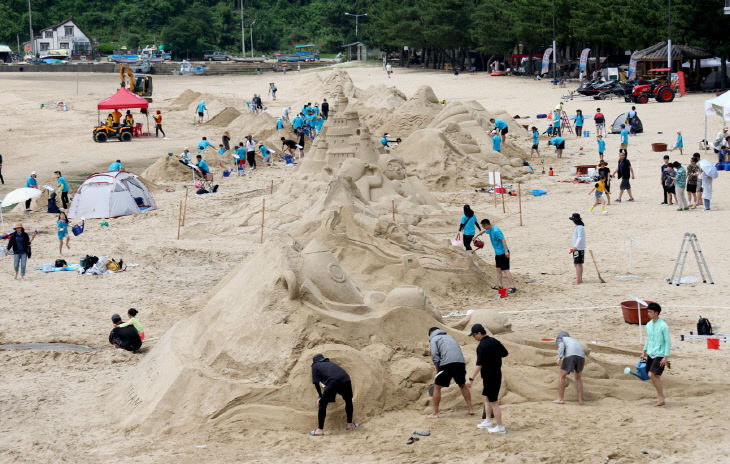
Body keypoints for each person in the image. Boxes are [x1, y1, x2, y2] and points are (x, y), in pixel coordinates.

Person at [466, 324, 508, 434]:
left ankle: (500, 427)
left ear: (479, 333)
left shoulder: (481, 346)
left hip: (490, 376)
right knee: (486, 397)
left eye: (474, 335)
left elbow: (479, 364)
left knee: (494, 402)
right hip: (496, 374)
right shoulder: (494, 341)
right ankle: (488, 420)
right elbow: (505, 353)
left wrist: (471, 379)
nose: (474, 338)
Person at [426, 327, 473, 418]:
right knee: (462, 385)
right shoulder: (450, 337)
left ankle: (435, 413)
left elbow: (435, 355)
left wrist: (437, 370)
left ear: (431, 334)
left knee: (437, 387)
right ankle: (470, 409)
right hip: (460, 362)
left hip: (447, 363)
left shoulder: (434, 339)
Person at [310, 354, 357, 436]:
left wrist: (321, 397)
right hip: (346, 379)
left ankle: (320, 430)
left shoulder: (315, 366)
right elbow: (335, 378)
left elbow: (316, 383)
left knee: (322, 404)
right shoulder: (331, 364)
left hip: (333, 381)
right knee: (348, 400)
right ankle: (350, 424)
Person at [640, 303, 670, 406]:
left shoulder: (663, 326)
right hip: (651, 353)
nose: (648, 314)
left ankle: (661, 398)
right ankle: (661, 398)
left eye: (650, 312)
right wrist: (644, 351)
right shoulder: (648, 325)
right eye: (648, 311)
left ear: (656, 313)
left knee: (651, 374)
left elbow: (667, 342)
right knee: (655, 376)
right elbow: (649, 339)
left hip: (660, 354)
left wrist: (665, 357)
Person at [475, 218, 515, 293]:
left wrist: (506, 252)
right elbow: (484, 231)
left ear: (486, 225)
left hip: (503, 253)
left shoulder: (496, 231)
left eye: (483, 226)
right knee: (498, 269)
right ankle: (500, 285)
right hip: (498, 253)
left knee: (506, 270)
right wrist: (476, 236)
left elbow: (503, 240)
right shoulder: (489, 229)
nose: (483, 228)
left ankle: (512, 286)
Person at [553, 331, 585, 405]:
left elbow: (561, 346)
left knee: (562, 376)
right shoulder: (573, 340)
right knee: (578, 378)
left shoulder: (560, 338)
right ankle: (580, 400)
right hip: (581, 357)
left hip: (571, 355)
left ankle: (560, 399)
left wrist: (559, 357)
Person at [568, 213, 585, 285]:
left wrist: (575, 247)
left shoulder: (579, 227)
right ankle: (580, 279)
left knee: (577, 264)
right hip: (579, 247)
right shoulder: (580, 227)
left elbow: (580, 237)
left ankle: (578, 280)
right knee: (579, 264)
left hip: (577, 248)